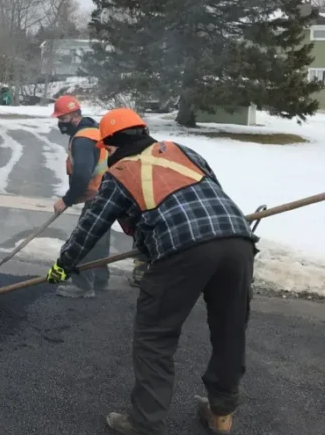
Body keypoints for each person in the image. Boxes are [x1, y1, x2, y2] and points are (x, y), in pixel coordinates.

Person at [45, 108, 257, 435]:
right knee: (230, 331)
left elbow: (91, 226)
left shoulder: (121, 172)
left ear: (112, 146)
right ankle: (221, 413)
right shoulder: (183, 151)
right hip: (236, 240)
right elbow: (210, 193)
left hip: (182, 250)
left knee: (155, 338)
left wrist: (64, 264)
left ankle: (145, 423)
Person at [51, 95, 111, 298]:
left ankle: (83, 285)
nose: (60, 123)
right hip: (107, 193)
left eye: (63, 118)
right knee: (100, 238)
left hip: (97, 195)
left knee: (84, 238)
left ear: (75, 116)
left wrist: (66, 200)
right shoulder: (93, 130)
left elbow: (82, 175)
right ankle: (100, 279)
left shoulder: (83, 140)